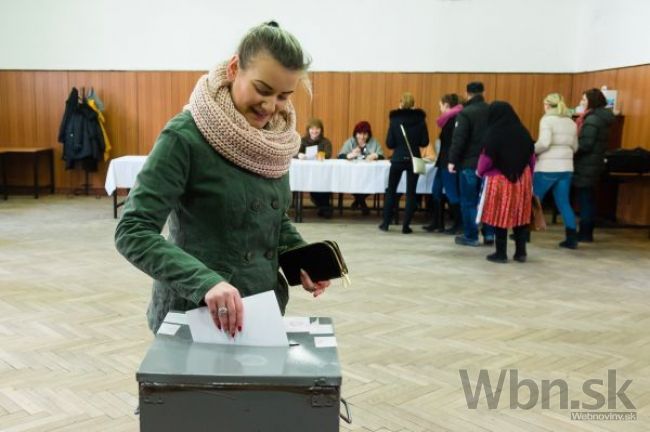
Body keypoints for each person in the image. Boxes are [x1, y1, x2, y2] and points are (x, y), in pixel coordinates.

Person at [114, 21, 330, 336]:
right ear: (233, 69)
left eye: (284, 96)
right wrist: (205, 281)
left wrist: (301, 257)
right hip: (194, 316)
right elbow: (132, 231)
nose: (271, 107)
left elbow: (270, 219)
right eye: (262, 89)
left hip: (261, 308)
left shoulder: (275, 140)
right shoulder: (184, 137)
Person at [477, 102, 535, 263]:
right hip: (522, 178)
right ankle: (521, 252)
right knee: (520, 215)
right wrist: (529, 177)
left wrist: (479, 172)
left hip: (499, 180)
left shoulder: (493, 133)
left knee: (499, 214)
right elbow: (532, 159)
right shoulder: (523, 131)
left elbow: (485, 159)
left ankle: (501, 253)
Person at [448, 81, 494, 246]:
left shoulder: (466, 113)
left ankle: (471, 235)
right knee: (486, 201)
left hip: (469, 163)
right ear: (484, 92)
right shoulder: (492, 111)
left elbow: (459, 139)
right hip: (489, 165)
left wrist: (452, 160)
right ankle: (489, 235)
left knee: (468, 202)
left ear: (467, 93)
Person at [533, 93, 579, 249]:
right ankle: (571, 238)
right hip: (567, 168)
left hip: (547, 167)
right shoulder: (571, 122)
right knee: (564, 203)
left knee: (533, 200)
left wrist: (531, 149)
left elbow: (544, 143)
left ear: (547, 105)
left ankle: (523, 233)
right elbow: (575, 147)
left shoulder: (547, 120)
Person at [379, 92, 429, 233]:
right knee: (411, 193)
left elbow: (390, 143)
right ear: (414, 105)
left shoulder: (395, 120)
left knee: (391, 191)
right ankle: (406, 226)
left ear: (400, 104)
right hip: (414, 159)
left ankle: (386, 224)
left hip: (398, 159)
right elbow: (424, 142)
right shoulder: (420, 120)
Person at [573, 88, 614, 242]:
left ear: (592, 101)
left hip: (587, 164)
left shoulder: (592, 119)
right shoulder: (602, 117)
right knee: (588, 198)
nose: (581, 102)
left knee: (585, 199)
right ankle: (587, 231)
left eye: (584, 99)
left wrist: (573, 147)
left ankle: (585, 233)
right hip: (594, 163)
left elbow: (586, 144)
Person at [424, 93, 463, 234]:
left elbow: (454, 143)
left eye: (440, 106)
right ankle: (437, 222)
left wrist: (452, 161)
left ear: (447, 105)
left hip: (449, 161)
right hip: (442, 161)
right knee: (435, 190)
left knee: (452, 193)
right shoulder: (448, 120)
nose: (439, 109)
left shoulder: (455, 120)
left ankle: (459, 224)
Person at [338, 121, 384, 215]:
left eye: (365, 134)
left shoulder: (374, 142)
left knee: (374, 183)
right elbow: (340, 155)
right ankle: (362, 202)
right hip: (352, 174)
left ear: (369, 134)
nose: (362, 137)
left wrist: (375, 155)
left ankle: (358, 201)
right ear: (355, 134)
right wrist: (349, 155)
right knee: (350, 182)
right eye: (359, 134)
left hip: (370, 175)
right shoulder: (350, 141)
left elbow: (381, 156)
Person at [297, 118, 333, 218]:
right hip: (305, 173)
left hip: (322, 174)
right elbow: (295, 152)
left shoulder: (325, 142)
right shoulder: (302, 141)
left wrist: (322, 155)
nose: (314, 131)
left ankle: (324, 207)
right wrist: (299, 155)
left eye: (317, 129)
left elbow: (329, 153)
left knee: (323, 189)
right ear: (308, 130)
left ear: (321, 130)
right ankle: (323, 207)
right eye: (312, 129)